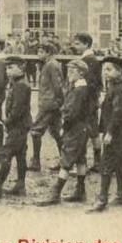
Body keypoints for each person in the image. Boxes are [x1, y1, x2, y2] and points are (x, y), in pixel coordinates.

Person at [38, 59, 91, 206]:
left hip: (75, 128)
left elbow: (71, 111)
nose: (69, 74)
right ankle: (80, 191)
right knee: (80, 159)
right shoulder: (79, 87)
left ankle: (55, 193)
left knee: (66, 160)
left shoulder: (79, 89)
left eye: (72, 71)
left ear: (80, 73)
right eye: (68, 71)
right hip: (82, 127)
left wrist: (63, 121)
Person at [88, 56, 122, 211]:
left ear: (120, 72)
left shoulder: (119, 90)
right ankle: (121, 195)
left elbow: (118, 113)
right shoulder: (115, 88)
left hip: (117, 133)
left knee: (106, 164)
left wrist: (109, 132)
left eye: (109, 70)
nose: (105, 73)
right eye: (104, 70)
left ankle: (102, 199)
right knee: (118, 164)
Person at [0, 55, 31, 199]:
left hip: (18, 126)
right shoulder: (16, 82)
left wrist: (7, 121)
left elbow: (17, 109)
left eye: (11, 68)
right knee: (21, 155)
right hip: (20, 126)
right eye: (6, 68)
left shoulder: (21, 85)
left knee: (6, 155)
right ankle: (20, 185)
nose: (7, 71)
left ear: (21, 68)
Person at [28, 42, 64, 172]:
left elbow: (57, 85)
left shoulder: (51, 65)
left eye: (41, 52)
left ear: (48, 53)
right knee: (56, 132)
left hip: (49, 104)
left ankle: (36, 162)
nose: (38, 54)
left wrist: (59, 101)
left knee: (36, 131)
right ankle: (65, 162)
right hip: (51, 103)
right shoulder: (48, 65)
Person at [73, 32, 103, 168]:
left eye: (78, 43)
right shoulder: (89, 59)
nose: (75, 46)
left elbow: (91, 82)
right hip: (90, 99)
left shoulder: (89, 60)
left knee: (88, 130)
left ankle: (88, 162)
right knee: (93, 130)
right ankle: (97, 160)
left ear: (86, 44)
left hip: (87, 100)